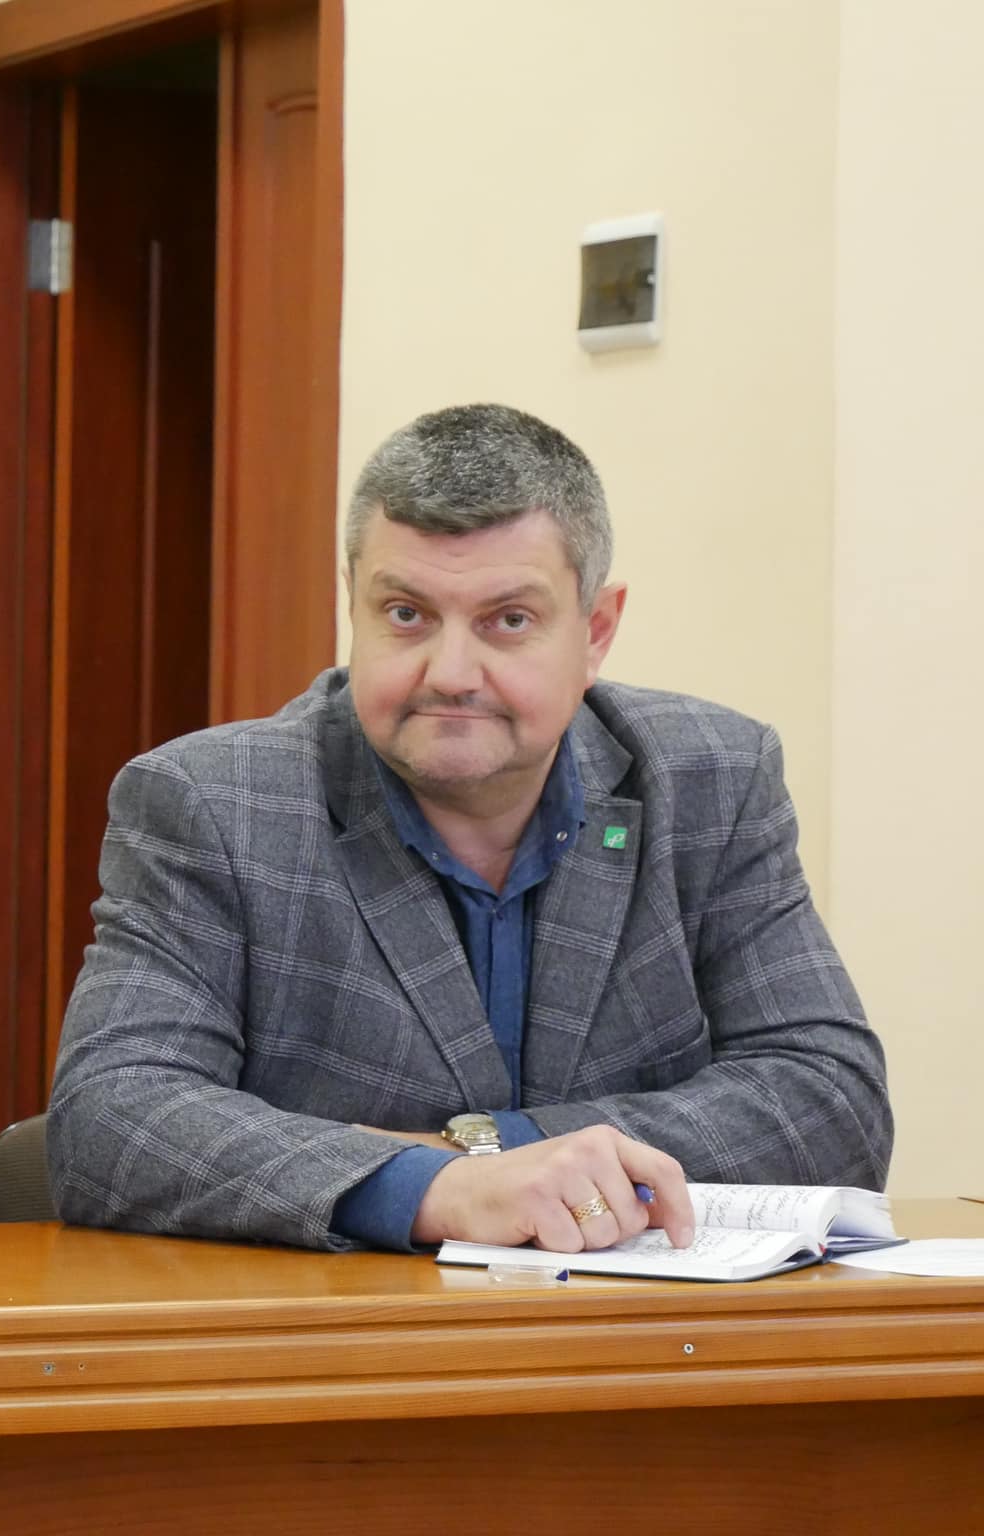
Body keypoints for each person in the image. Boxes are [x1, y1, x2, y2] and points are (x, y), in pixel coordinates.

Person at [47, 404, 892, 1255]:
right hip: (341, 1327)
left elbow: (832, 1101)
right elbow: (111, 1116)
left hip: (631, 1325)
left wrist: (490, 1154)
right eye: (406, 614)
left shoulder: (712, 779)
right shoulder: (213, 803)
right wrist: (440, 1193)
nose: (451, 674)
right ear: (353, 605)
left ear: (595, 632)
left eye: (508, 620)